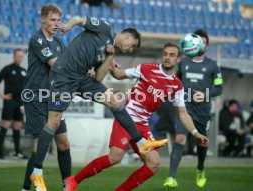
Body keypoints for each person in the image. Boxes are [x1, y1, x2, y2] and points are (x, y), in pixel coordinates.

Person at [31, 16, 166, 191]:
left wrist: (110, 56)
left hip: (82, 79)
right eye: (132, 45)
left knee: (115, 103)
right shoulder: (105, 29)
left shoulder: (110, 51)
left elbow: (99, 77)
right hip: (64, 75)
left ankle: (142, 144)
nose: (131, 49)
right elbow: (80, 20)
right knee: (54, 122)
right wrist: (67, 26)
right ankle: (37, 173)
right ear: (127, 36)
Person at [65, 42, 209, 191]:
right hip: (125, 119)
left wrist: (196, 133)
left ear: (178, 59)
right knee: (115, 157)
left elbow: (182, 113)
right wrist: (110, 60)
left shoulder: (176, 86)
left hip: (142, 126)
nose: (167, 58)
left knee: (153, 163)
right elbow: (119, 75)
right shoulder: (146, 69)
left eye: (172, 55)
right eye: (165, 54)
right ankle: (73, 181)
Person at [163, 29, 223, 189]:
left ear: (207, 46)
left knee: (201, 143)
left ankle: (200, 168)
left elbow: (219, 89)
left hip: (203, 111)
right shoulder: (183, 62)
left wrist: (205, 94)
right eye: (197, 41)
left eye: (203, 42)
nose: (200, 44)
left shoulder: (212, 65)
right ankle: (171, 178)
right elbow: (176, 81)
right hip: (185, 109)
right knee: (179, 139)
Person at [21, 4, 71, 191]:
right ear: (42, 19)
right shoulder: (37, 40)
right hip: (35, 96)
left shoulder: (58, 43)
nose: (56, 24)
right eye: (52, 19)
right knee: (39, 145)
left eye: (58, 20)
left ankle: (68, 185)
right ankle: (27, 187)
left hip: (54, 99)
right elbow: (56, 64)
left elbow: (69, 62)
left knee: (64, 143)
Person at [0, 48, 28, 159]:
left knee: (17, 126)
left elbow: (27, 89)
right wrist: (2, 96)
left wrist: (25, 104)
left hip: (20, 103)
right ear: (14, 56)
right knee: (5, 125)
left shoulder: (24, 71)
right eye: (17, 56)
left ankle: (17, 152)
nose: (19, 58)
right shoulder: (7, 69)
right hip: (9, 102)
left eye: (21, 56)